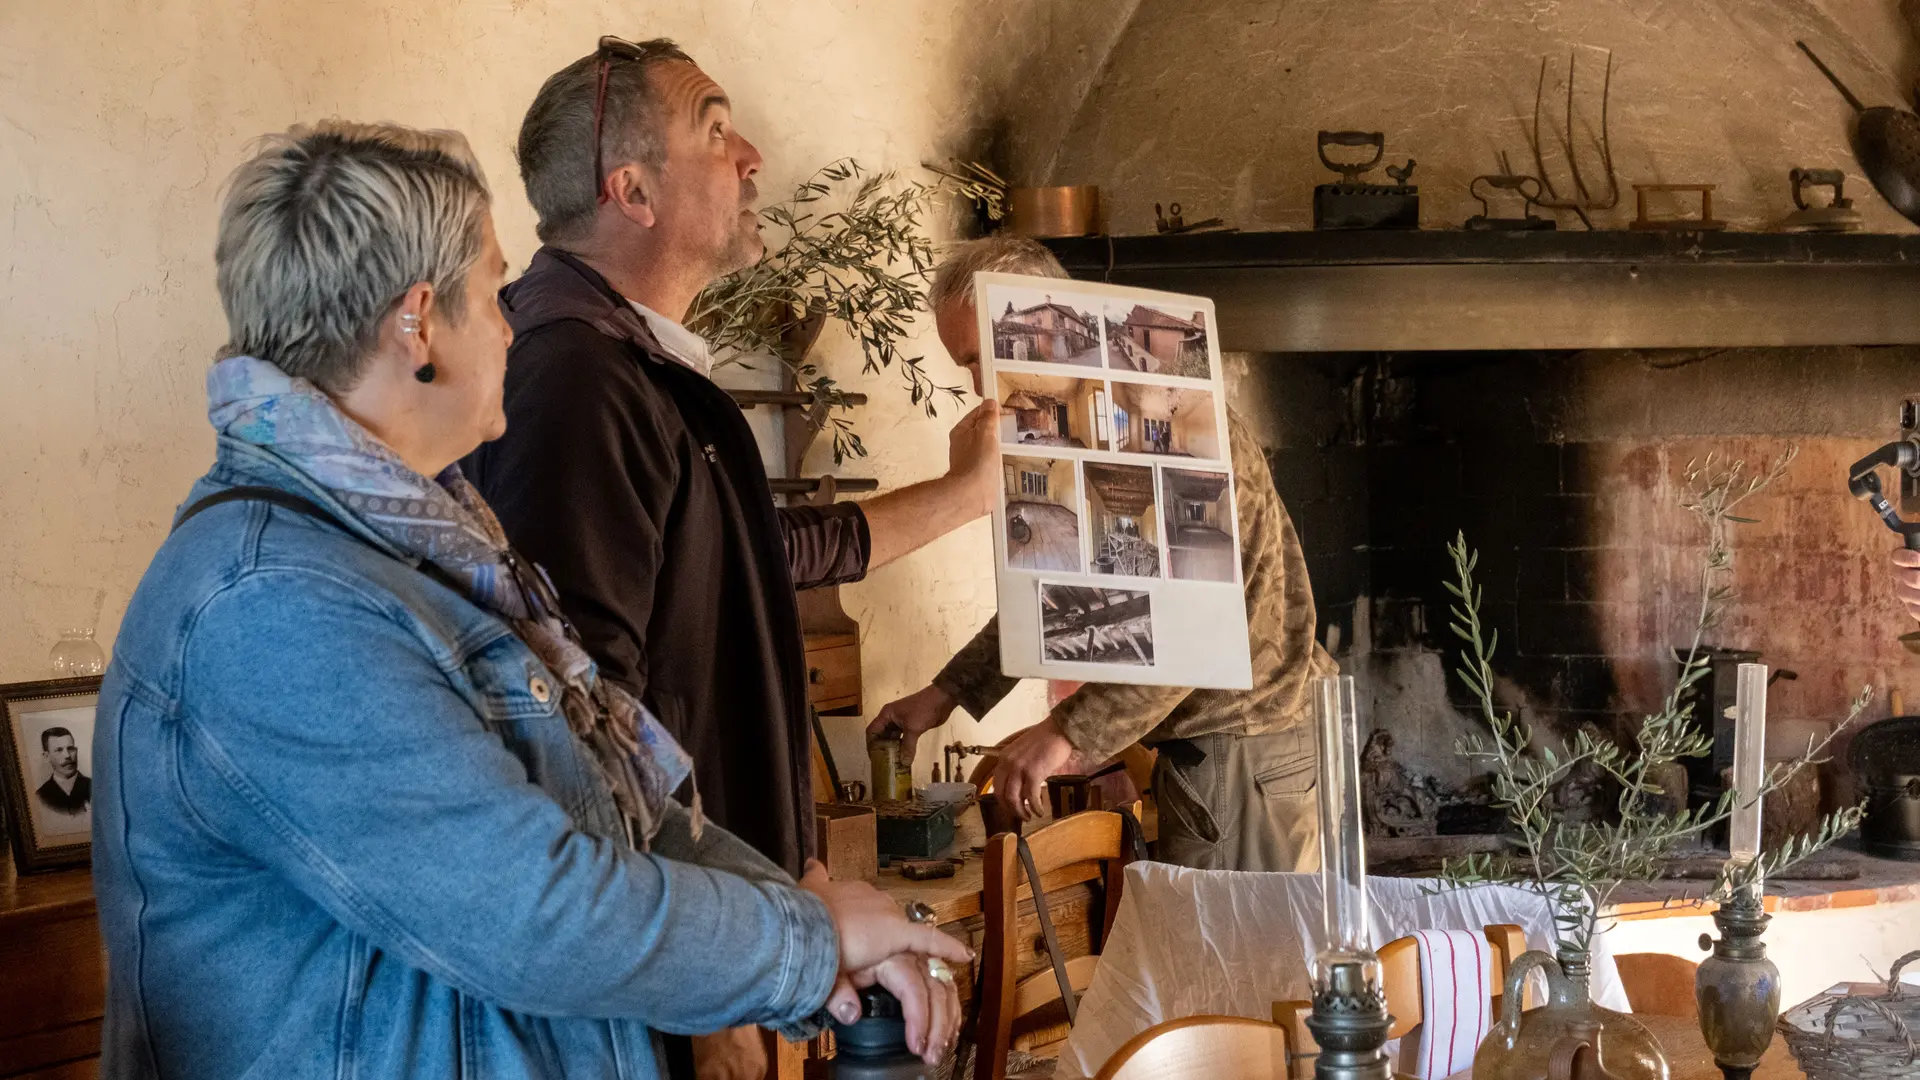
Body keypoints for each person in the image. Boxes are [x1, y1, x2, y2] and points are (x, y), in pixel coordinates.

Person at [91, 121, 965, 1080]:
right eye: (493, 288)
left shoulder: (432, 548)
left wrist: (822, 931)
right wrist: (803, 940)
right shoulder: (271, 604)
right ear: (418, 324)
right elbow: (530, 910)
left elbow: (628, 812)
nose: (511, 320)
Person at [464, 37, 1000, 886]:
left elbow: (755, 555)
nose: (752, 158)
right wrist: (756, 933)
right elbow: (589, 738)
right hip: (681, 945)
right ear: (632, 191)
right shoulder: (574, 379)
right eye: (715, 132)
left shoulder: (627, 364)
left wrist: (967, 495)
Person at [869, 236, 1338, 872]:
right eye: (965, 367)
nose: (978, 384)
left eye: (981, 357)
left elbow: (1190, 622)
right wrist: (945, 693)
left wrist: (1063, 734)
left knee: (1235, 971)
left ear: (1042, 321)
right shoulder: (1089, 422)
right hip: (1234, 752)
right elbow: (1071, 600)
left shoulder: (1158, 418)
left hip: (1247, 752)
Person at [35, 727, 90, 816]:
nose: (67, 755)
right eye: (59, 750)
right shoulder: (40, 797)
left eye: (70, 748)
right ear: (46, 757)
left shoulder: (95, 788)